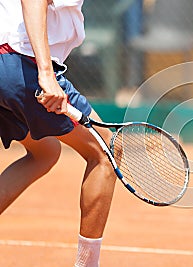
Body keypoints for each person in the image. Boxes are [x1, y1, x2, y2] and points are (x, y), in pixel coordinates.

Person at [0, 0, 116, 266]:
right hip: (18, 63)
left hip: (6, 65)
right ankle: (87, 265)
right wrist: (46, 73)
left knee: (45, 153)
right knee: (105, 153)